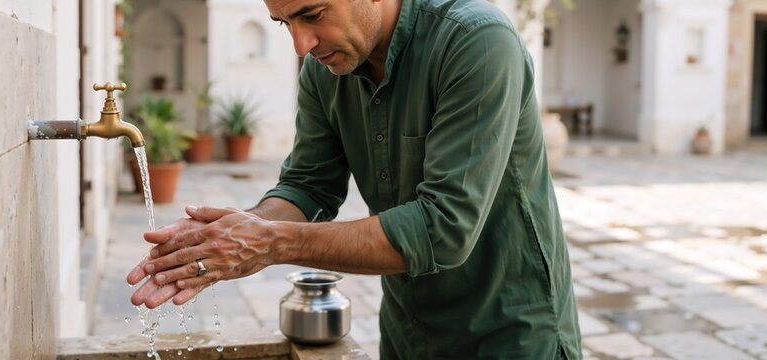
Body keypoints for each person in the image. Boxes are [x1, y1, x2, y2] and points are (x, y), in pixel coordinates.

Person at [127, 0, 582, 357]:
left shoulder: (476, 42)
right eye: (285, 23)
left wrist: (271, 243)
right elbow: (308, 185)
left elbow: (443, 229)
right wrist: (240, 230)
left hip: (511, 335)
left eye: (312, 15)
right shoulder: (324, 70)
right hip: (408, 332)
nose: (301, 45)